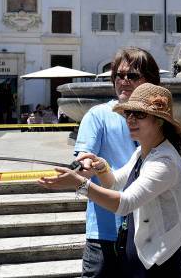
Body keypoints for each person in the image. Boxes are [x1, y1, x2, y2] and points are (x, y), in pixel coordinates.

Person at [39, 83, 181, 277]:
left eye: (140, 114)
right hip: (143, 257)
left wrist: (80, 184)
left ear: (159, 120)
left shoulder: (164, 162)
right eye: (128, 114)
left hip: (160, 264)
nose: (131, 119)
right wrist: (101, 167)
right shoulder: (143, 151)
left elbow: (125, 203)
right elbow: (115, 183)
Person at [59, 48, 161, 277]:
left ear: (150, 80)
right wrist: (81, 168)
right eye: (118, 75)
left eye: (132, 75)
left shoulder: (159, 121)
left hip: (148, 232)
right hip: (106, 232)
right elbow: (84, 156)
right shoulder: (98, 116)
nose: (123, 81)